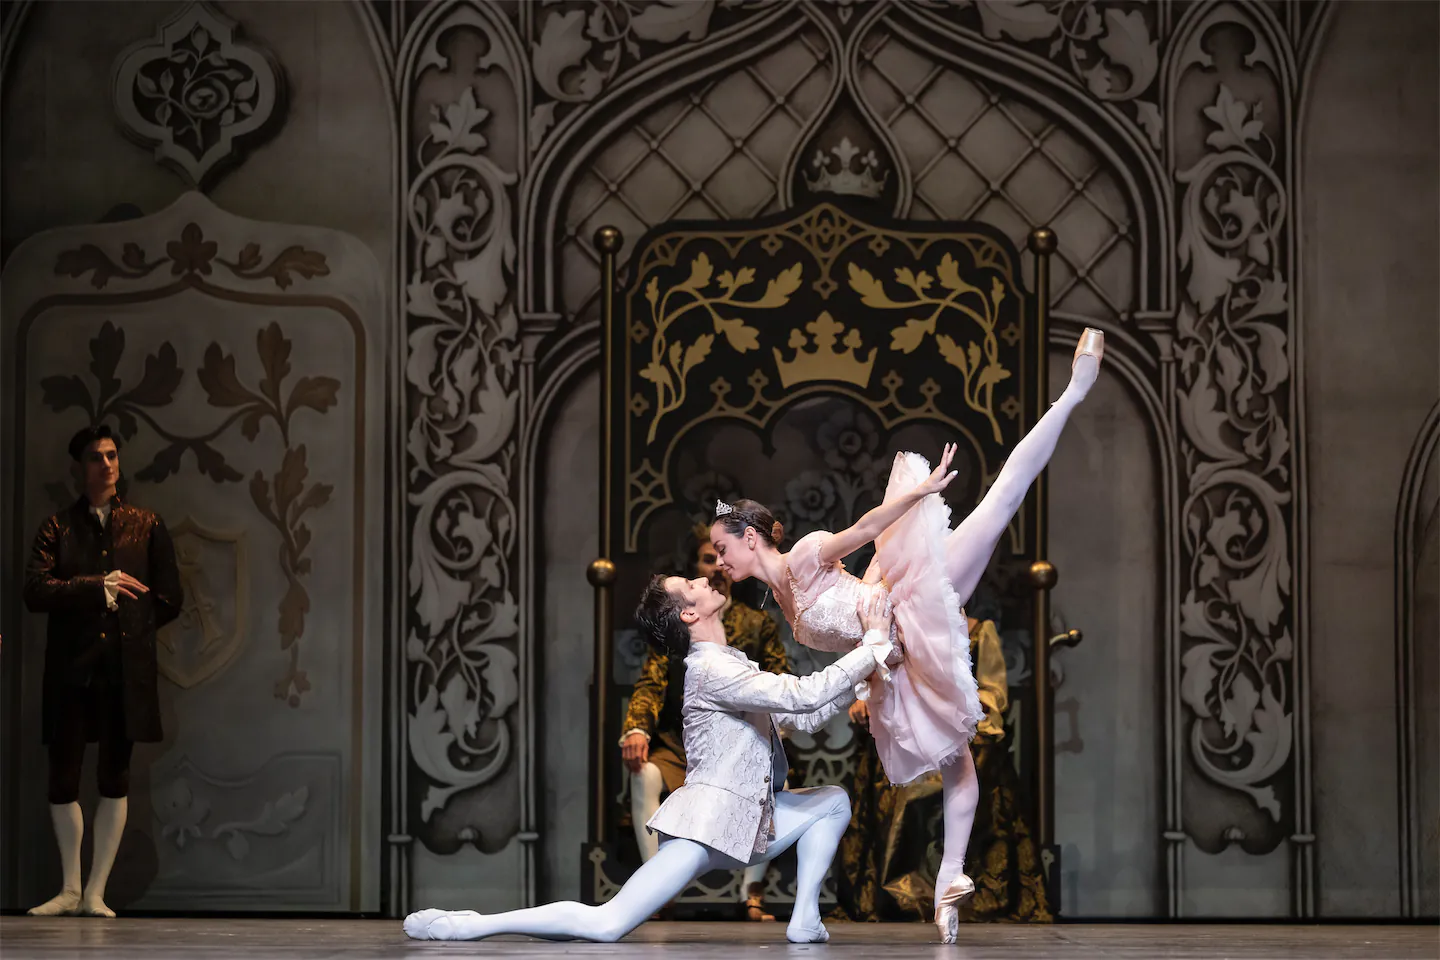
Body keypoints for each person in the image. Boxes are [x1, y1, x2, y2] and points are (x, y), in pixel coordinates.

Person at [708, 329, 1103, 941]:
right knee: (956, 758)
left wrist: (918, 493)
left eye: (721, 547)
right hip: (893, 660)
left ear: (750, 538)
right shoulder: (781, 601)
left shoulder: (805, 556)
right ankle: (950, 883)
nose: (717, 560)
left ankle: (1073, 392)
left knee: (1001, 501)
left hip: (903, 602)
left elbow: (865, 529)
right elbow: (852, 645)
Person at [405, 576, 899, 943]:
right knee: (606, 923)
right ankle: (471, 925)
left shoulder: (732, 663)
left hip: (749, 821)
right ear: (689, 614)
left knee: (833, 801)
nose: (704, 579)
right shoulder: (710, 669)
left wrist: (867, 670)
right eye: (691, 584)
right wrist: (872, 646)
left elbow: (804, 715)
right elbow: (803, 695)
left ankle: (805, 918)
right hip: (707, 828)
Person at [24, 424, 182, 918]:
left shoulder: (146, 524)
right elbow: (35, 591)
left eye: (112, 455)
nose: (107, 464)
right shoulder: (57, 527)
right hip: (71, 670)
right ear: (81, 466)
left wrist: (131, 624)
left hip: (123, 671)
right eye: (97, 457)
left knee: (115, 775)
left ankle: (95, 892)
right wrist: (97, 587)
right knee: (63, 777)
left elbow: (170, 597)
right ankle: (70, 889)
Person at [620, 528, 790, 920]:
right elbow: (651, 681)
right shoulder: (679, 627)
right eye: (705, 560)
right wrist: (636, 728)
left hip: (740, 741)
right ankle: (657, 891)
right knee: (644, 773)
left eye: (719, 559)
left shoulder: (756, 623)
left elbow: (781, 681)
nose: (712, 570)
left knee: (773, 777)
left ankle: (752, 892)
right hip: (683, 742)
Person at [836, 616, 1050, 923]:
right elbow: (878, 676)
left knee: (960, 771)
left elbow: (993, 693)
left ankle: (953, 886)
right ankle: (900, 896)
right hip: (909, 727)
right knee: (898, 778)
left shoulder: (979, 631)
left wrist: (958, 706)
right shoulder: (899, 628)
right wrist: (868, 698)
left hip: (957, 728)